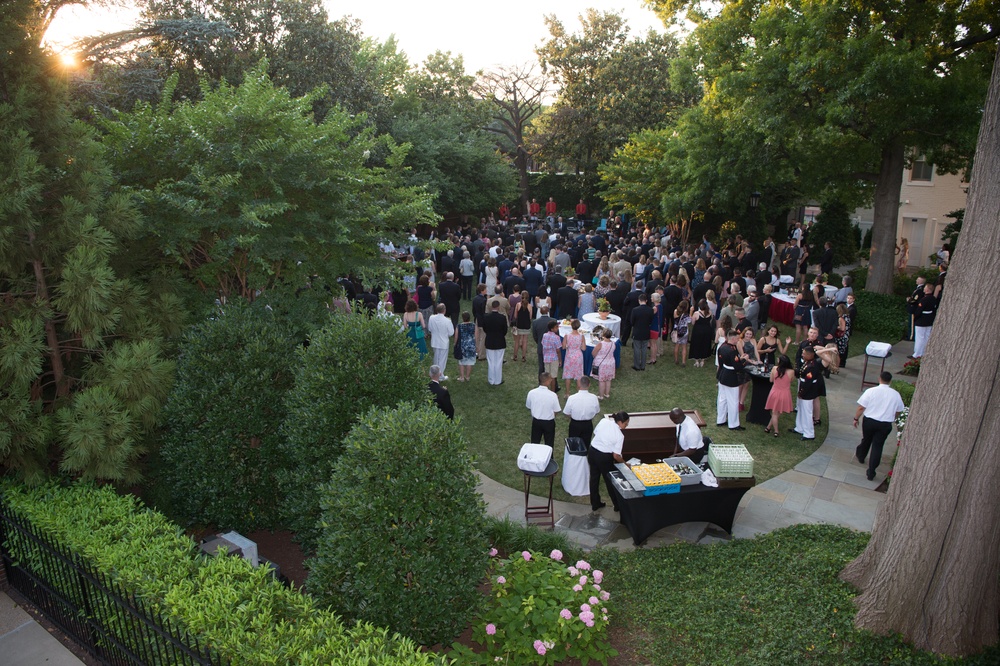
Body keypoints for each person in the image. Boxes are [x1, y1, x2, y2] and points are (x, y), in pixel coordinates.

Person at [854, 371, 905, 481]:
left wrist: (856, 418)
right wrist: (893, 417)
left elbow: (861, 407)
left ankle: (861, 456)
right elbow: (899, 410)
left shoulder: (871, 391)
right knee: (878, 446)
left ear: (879, 379)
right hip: (885, 424)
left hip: (870, 421)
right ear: (890, 381)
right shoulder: (895, 394)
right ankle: (871, 471)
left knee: (866, 439)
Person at [588, 411, 630, 511]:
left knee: (594, 478)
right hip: (604, 457)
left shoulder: (603, 421)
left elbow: (595, 433)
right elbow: (616, 456)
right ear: (620, 422)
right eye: (626, 423)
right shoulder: (619, 436)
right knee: (610, 482)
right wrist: (625, 464)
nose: (627, 425)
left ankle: (595, 503)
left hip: (592, 451)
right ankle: (617, 505)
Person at [716, 329, 748, 430]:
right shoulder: (732, 350)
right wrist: (744, 360)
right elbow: (737, 366)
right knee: (733, 401)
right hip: (731, 377)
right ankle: (733, 424)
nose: (738, 340)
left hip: (722, 375)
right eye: (737, 339)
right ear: (733, 339)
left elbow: (721, 363)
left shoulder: (722, 347)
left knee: (722, 399)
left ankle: (720, 420)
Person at [792, 346, 825, 440]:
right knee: (801, 409)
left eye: (804, 353)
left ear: (810, 355)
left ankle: (809, 433)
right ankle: (799, 428)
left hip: (808, 391)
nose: (802, 355)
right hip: (804, 388)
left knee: (807, 412)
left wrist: (802, 393)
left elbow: (808, 382)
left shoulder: (812, 366)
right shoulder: (808, 362)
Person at [563, 376, 601, 446]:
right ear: (589, 385)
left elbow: (566, 412)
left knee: (573, 445)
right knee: (585, 445)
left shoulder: (572, 398)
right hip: (588, 425)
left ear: (579, 385)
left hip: (575, 424)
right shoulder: (594, 398)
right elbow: (597, 411)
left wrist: (572, 416)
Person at [526, 373, 561, 447]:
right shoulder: (552, 395)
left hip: (536, 421)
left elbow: (529, 406)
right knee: (549, 444)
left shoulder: (532, 393)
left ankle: (533, 457)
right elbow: (556, 410)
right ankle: (549, 458)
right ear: (547, 381)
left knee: (534, 443)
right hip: (549, 423)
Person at [764, 355, 794, 436]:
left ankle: (774, 430)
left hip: (775, 392)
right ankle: (769, 428)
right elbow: (791, 380)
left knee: (774, 413)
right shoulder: (791, 371)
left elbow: (771, 380)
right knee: (778, 412)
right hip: (785, 393)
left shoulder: (774, 369)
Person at [482, 300, 508, 385]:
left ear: (491, 307)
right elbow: (505, 330)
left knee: (490, 361)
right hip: (500, 341)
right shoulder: (502, 317)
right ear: (498, 307)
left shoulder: (486, 317)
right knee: (499, 361)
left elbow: (485, 329)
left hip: (489, 341)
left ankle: (491, 379)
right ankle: (497, 380)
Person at [427, 304, 455, 379]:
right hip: (443, 343)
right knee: (442, 360)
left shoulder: (431, 318)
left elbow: (429, 329)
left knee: (436, 359)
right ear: (444, 311)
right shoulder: (447, 320)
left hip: (435, 342)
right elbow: (451, 332)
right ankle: (440, 375)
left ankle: (434, 373)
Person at [911, 282, 937, 359]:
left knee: (920, 337)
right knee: (926, 337)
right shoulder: (933, 299)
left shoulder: (924, 299)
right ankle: (924, 352)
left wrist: (916, 317)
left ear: (928, 289)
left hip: (922, 320)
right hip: (929, 320)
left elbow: (919, 310)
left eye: (925, 287)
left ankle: (917, 353)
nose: (924, 288)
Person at [629, 292, 654, 370]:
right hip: (646, 331)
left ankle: (637, 365)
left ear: (639, 300)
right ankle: (643, 366)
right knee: (644, 349)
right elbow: (651, 321)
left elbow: (632, 322)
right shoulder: (650, 310)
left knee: (636, 349)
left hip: (637, 331)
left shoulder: (635, 310)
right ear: (646, 300)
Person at [562, 319, 586, 393]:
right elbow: (584, 348)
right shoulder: (581, 336)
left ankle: (567, 393)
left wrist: (568, 347)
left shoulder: (567, 335)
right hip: (578, 356)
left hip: (569, 356)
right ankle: (578, 393)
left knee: (568, 375)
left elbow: (563, 347)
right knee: (579, 375)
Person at [532, 304, 556, 376]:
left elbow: (535, 335)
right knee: (552, 367)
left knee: (541, 367)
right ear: (548, 311)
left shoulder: (535, 322)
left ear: (540, 311)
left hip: (541, 346)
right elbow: (556, 334)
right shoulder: (553, 321)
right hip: (551, 348)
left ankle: (541, 383)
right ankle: (554, 385)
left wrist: (539, 342)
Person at [592, 329, 617, 400]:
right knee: (608, 379)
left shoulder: (601, 344)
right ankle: (607, 394)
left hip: (602, 364)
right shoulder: (613, 343)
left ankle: (601, 396)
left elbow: (593, 353)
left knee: (602, 380)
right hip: (611, 363)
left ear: (603, 335)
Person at [689, 300, 714, 367]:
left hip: (698, 330)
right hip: (707, 330)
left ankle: (697, 360)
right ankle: (703, 360)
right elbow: (710, 321)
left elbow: (693, 322)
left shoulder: (696, 313)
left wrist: (691, 313)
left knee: (696, 344)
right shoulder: (710, 313)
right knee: (705, 343)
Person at [511, 293, 533, 362]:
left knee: (517, 341)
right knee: (525, 341)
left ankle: (515, 356)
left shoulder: (518, 305)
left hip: (519, 325)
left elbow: (515, 316)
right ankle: (523, 357)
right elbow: (530, 317)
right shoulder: (530, 306)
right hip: (526, 325)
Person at [456, 311, 477, 382]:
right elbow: (476, 336)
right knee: (470, 362)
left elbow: (456, 336)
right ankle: (467, 377)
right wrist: (476, 345)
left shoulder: (459, 326)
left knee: (461, 361)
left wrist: (455, 344)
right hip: (471, 345)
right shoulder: (474, 325)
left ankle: (461, 377)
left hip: (462, 345)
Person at [673, 299, 692, 367]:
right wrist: (691, 313)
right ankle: (683, 362)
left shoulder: (675, 311)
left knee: (677, 345)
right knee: (684, 346)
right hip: (684, 331)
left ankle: (676, 360)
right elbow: (690, 321)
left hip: (677, 330)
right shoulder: (686, 315)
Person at [835, 304, 852, 368]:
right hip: (846, 335)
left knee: (839, 351)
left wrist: (836, 327)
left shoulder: (841, 318)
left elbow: (842, 328)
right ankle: (842, 363)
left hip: (841, 337)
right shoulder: (847, 316)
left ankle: (838, 364)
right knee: (844, 349)